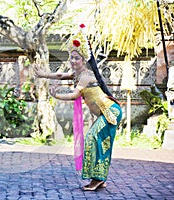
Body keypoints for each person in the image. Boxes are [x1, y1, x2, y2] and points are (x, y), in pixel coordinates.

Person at [34, 24, 122, 191]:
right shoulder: (78, 74)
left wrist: (56, 95)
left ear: (84, 60)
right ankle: (99, 179)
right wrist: (43, 74)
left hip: (110, 112)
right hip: (107, 113)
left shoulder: (87, 75)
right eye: (71, 57)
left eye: (77, 58)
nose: (73, 61)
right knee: (98, 143)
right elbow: (61, 75)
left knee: (91, 139)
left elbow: (75, 95)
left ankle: (97, 179)